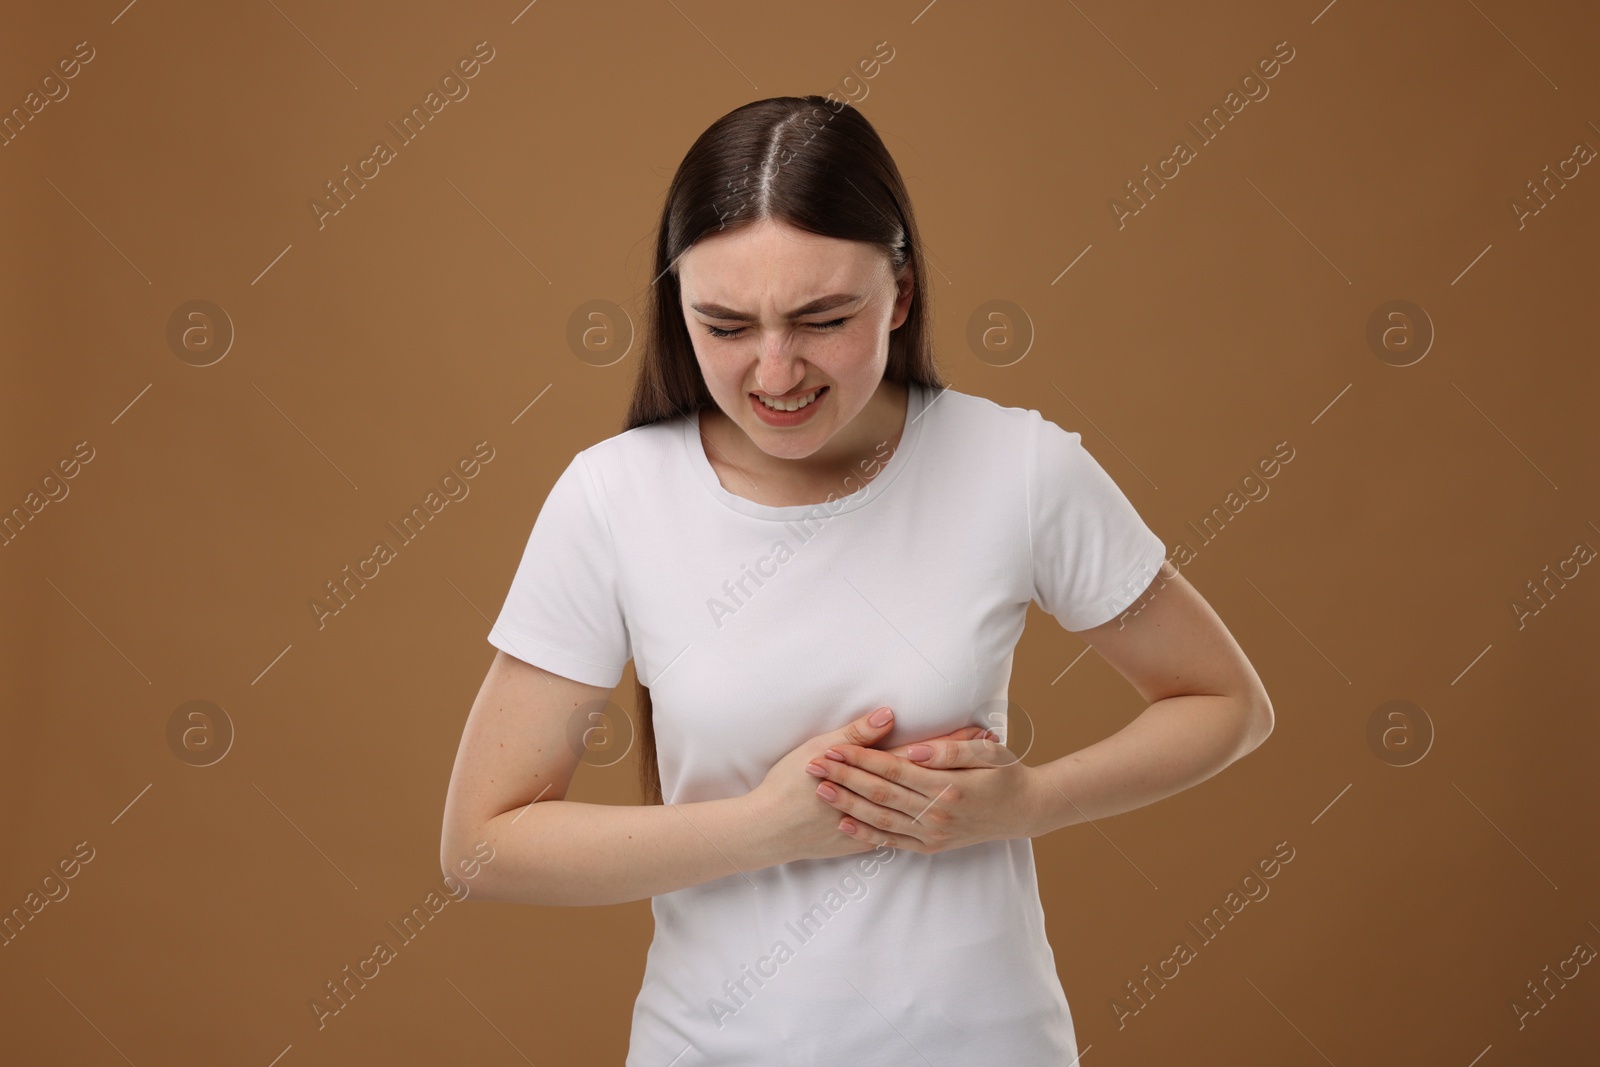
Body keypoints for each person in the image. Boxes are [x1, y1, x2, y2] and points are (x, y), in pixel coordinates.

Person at [439, 95, 1274, 1065]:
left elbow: (1225, 703)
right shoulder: (613, 496)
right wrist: (763, 827)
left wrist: (1032, 799)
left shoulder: (1017, 466)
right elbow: (481, 844)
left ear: (902, 293)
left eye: (822, 318)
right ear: (678, 307)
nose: (775, 370)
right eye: (724, 324)